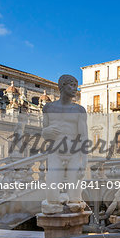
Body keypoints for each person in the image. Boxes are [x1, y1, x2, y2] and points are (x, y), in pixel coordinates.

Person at [41, 75, 88, 214]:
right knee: (52, 199)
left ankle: (73, 222)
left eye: (76, 85)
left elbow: (84, 136)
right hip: (55, 153)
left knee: (74, 199)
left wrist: (84, 163)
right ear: (62, 86)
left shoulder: (79, 110)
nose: (75, 89)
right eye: (72, 85)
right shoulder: (48, 108)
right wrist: (46, 131)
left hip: (74, 154)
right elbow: (44, 133)